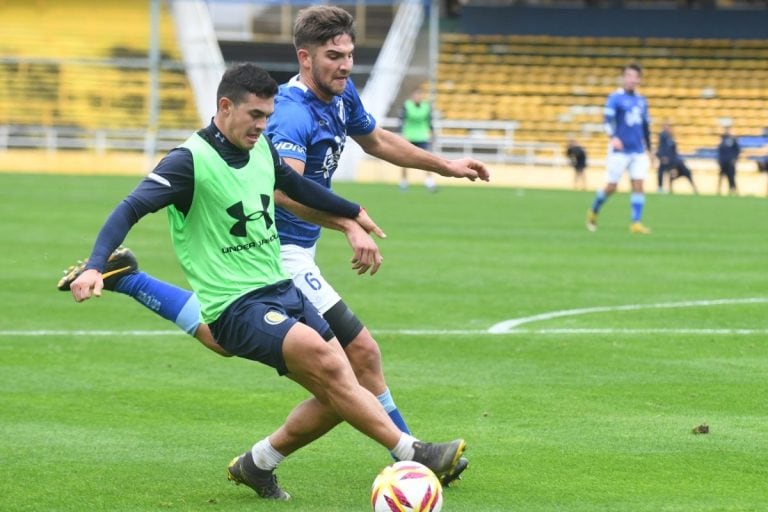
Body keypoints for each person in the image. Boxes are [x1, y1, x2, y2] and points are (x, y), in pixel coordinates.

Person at [59, 5, 487, 487]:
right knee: (341, 360)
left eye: (349, 54)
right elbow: (139, 207)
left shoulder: (282, 131)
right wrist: (94, 264)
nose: (264, 124)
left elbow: (313, 175)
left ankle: (258, 463)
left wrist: (358, 208)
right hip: (261, 272)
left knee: (342, 384)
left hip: (274, 278)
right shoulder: (211, 151)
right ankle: (414, 455)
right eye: (334, 56)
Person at [586, 63, 652, 234]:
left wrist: (650, 150)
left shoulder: (642, 101)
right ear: (624, 78)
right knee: (611, 187)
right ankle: (594, 210)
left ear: (639, 80)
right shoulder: (615, 98)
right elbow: (607, 122)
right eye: (628, 76)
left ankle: (635, 223)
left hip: (638, 150)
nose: (631, 79)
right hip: (619, 150)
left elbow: (646, 128)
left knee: (638, 184)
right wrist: (613, 137)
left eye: (634, 76)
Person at [398, 87, 437, 192]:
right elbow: (401, 121)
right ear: (412, 96)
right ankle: (404, 182)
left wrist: (432, 133)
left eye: (419, 95)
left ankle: (429, 183)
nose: (418, 97)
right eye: (416, 95)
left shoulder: (426, 107)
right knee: (405, 161)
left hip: (422, 136)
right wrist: (402, 134)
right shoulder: (407, 106)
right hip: (409, 136)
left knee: (427, 160)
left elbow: (429, 121)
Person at [655, 122, 698, 195]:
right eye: (665, 126)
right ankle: (660, 188)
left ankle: (663, 187)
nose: (667, 128)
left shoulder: (670, 137)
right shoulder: (663, 136)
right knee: (661, 171)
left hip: (673, 160)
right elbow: (661, 148)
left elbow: (674, 150)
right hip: (666, 159)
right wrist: (661, 156)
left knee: (682, 170)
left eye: (667, 126)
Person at [717, 125, 740, 196]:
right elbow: (720, 151)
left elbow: (737, 150)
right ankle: (718, 191)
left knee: (731, 177)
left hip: (730, 162)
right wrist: (719, 159)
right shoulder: (722, 139)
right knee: (721, 176)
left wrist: (735, 159)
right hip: (723, 161)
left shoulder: (733, 140)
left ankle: (733, 191)